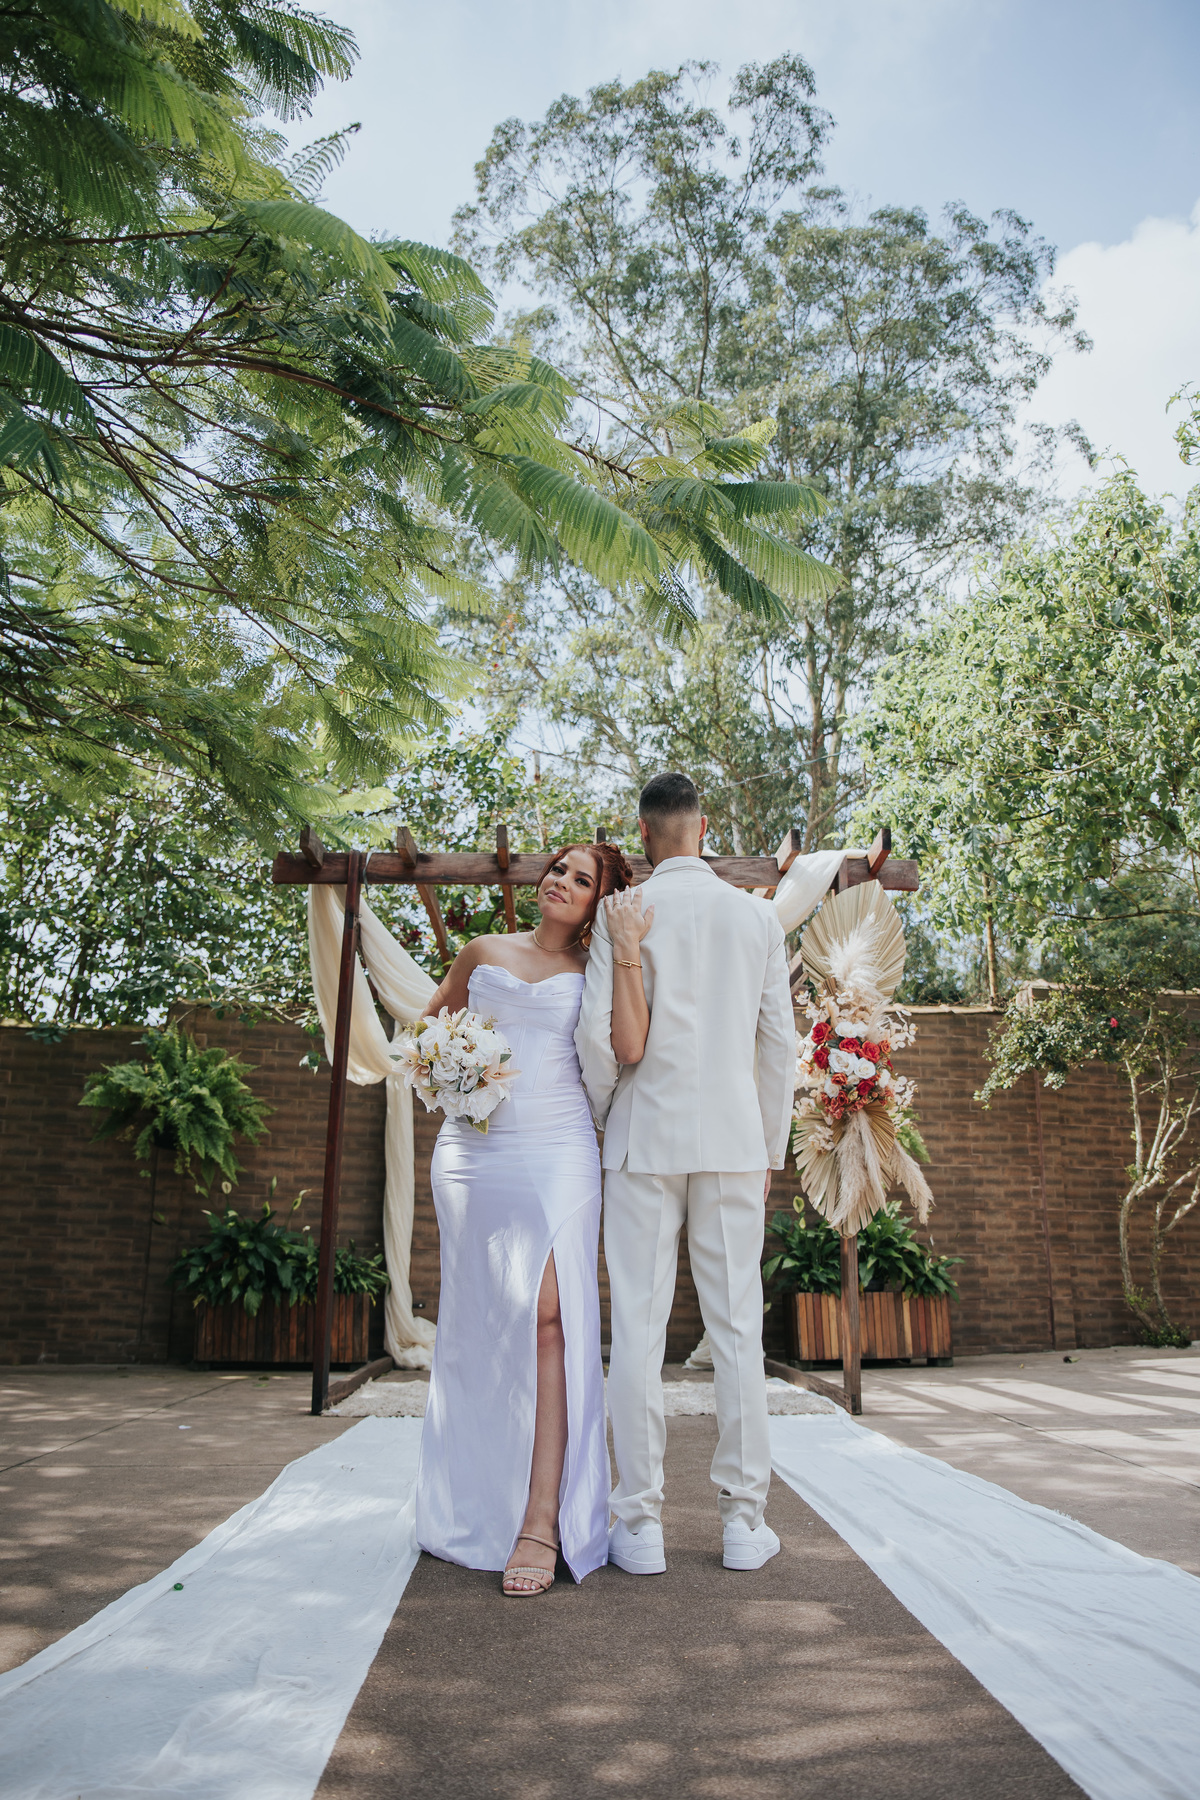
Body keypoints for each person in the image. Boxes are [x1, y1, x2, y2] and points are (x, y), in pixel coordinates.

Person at [575, 773, 795, 1574]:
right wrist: (768, 1148)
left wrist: (611, 1115)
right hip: (734, 1141)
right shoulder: (757, 918)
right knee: (736, 1328)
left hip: (642, 1138)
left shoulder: (620, 913)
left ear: (642, 832)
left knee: (636, 1331)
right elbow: (779, 1046)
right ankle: (743, 1523)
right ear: (705, 828)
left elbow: (597, 1039)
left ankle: (639, 1525)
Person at [415, 842, 632, 1596]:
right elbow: (427, 1032)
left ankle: (543, 1519)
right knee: (480, 1326)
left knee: (550, 1318)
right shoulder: (482, 951)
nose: (561, 882)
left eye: (582, 879)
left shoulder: (598, 970)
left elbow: (626, 1048)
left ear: (599, 902)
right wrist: (454, 1068)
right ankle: (475, 1501)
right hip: (472, 1153)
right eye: (559, 870)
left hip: (558, 1148)